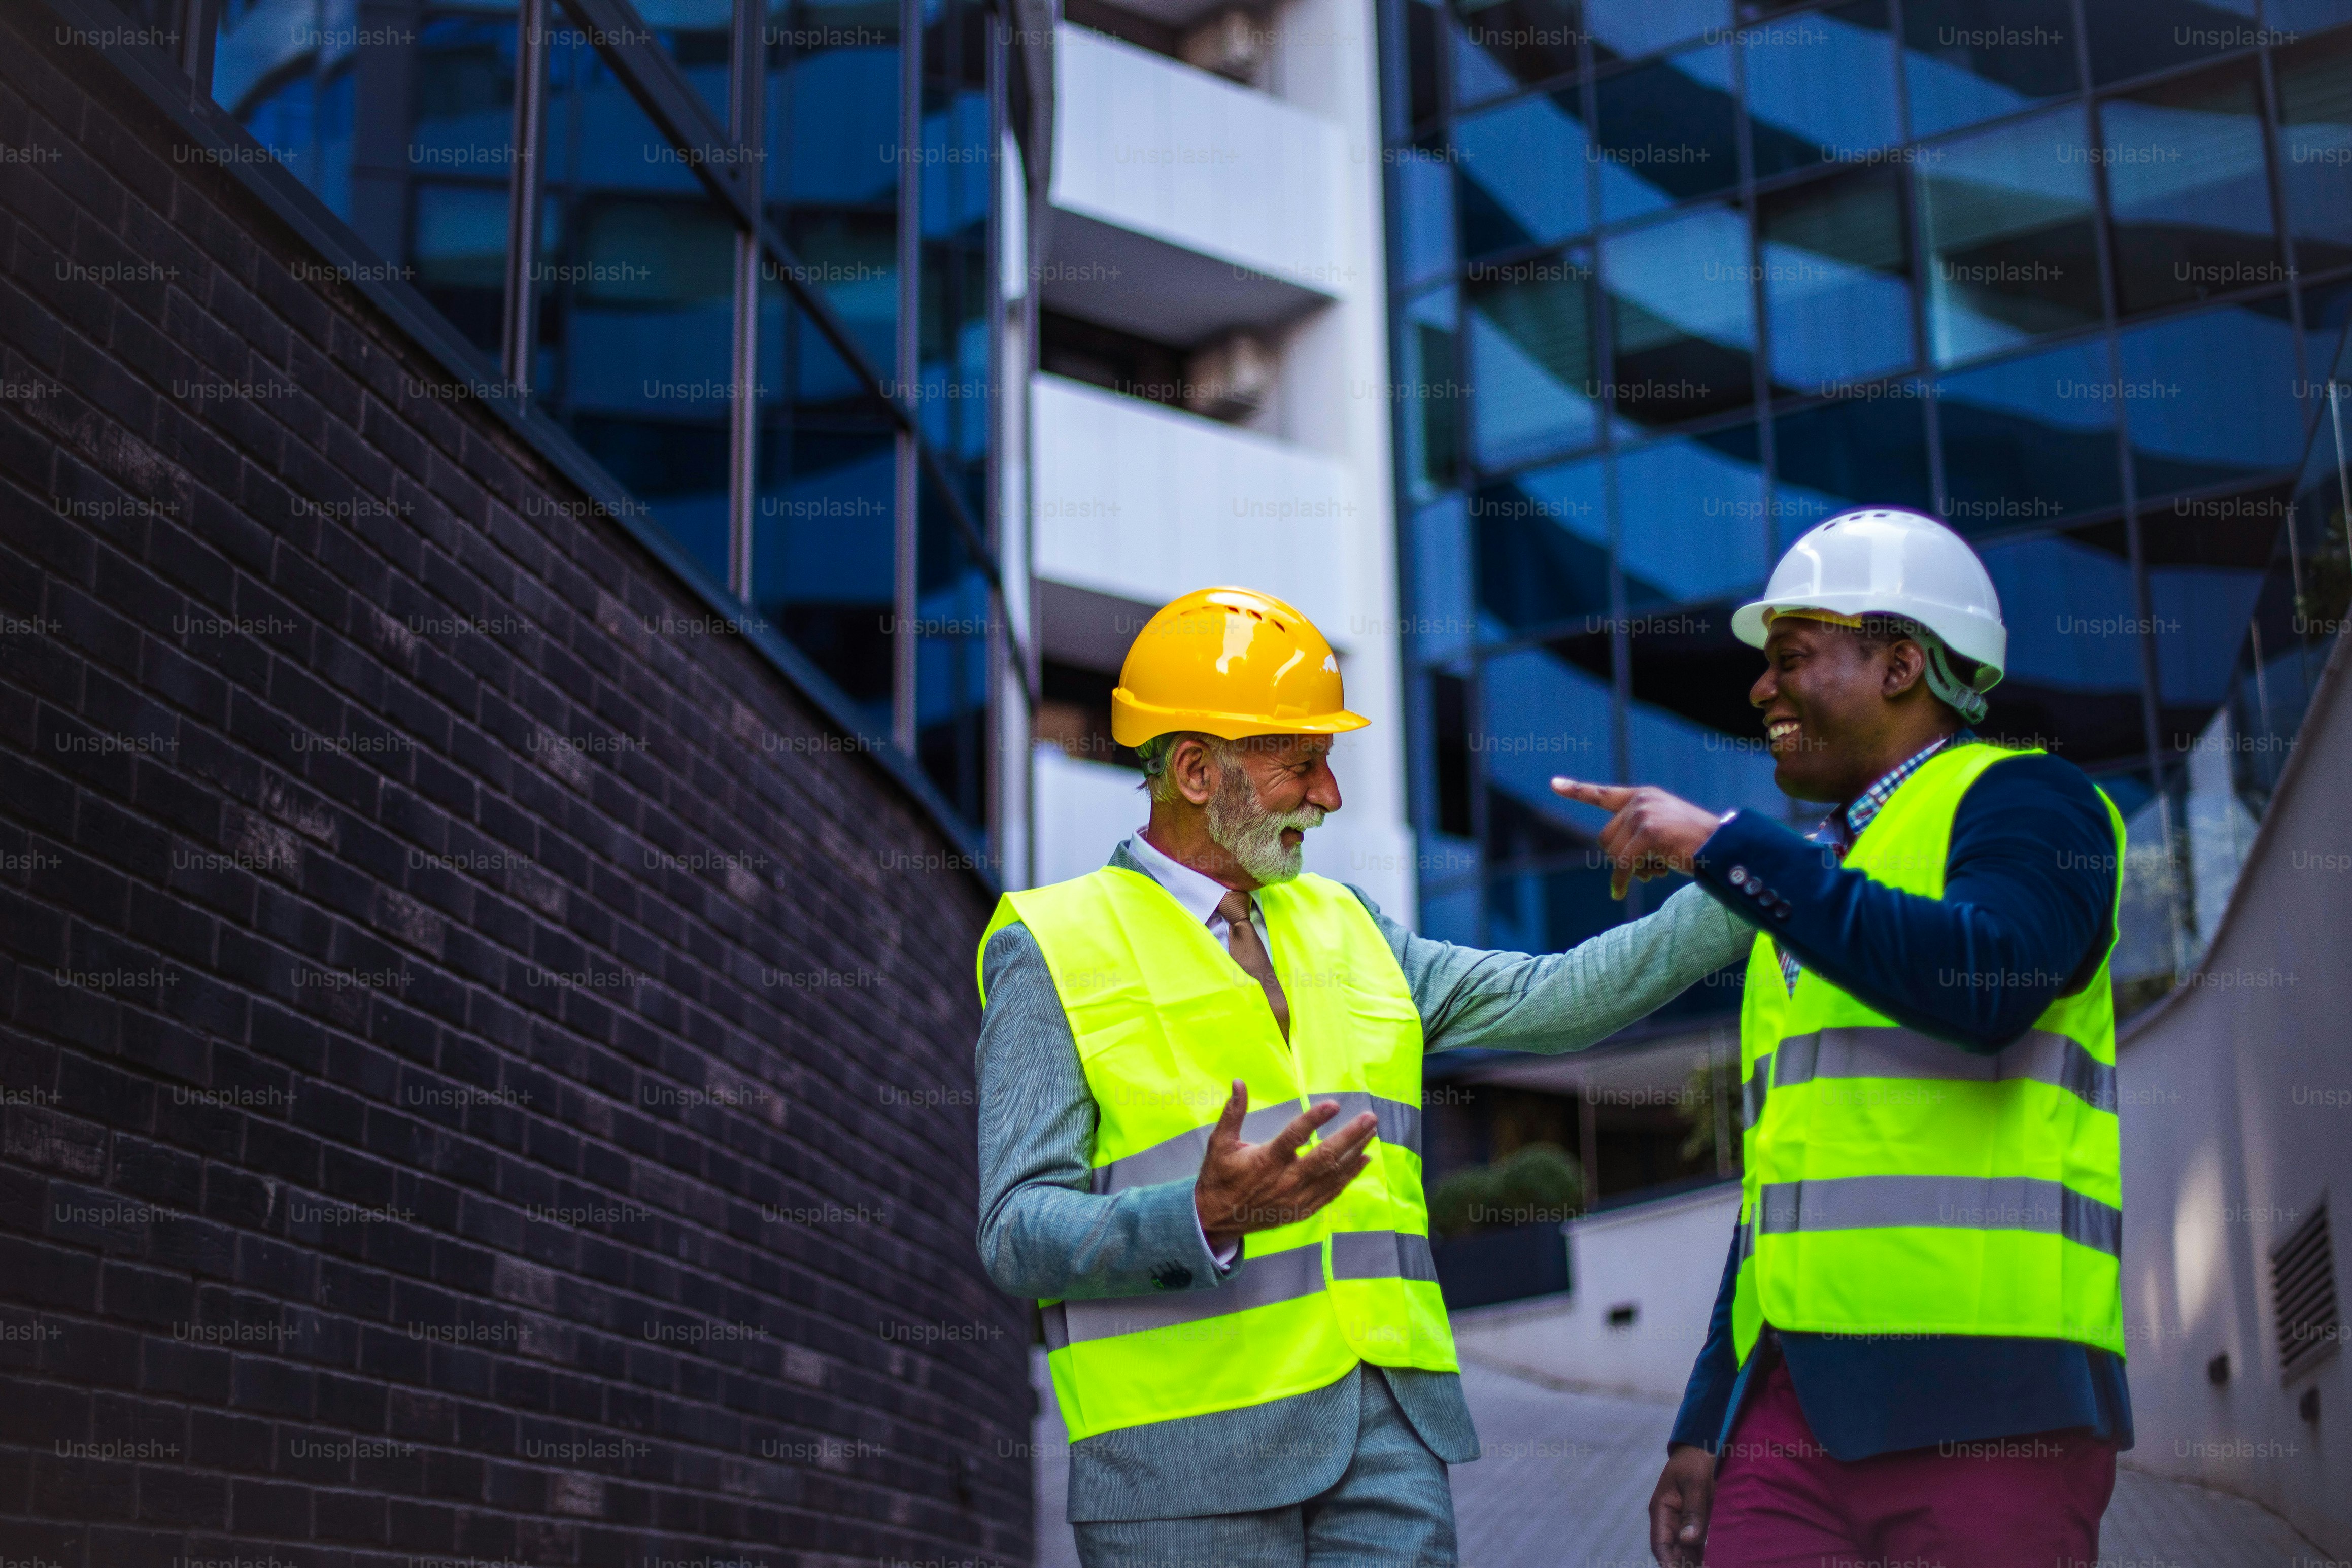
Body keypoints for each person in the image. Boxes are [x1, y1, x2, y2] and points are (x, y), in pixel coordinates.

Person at [973, 585, 1749, 1565]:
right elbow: (1013, 1231)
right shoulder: (1053, 944)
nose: (1330, 796)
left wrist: (1745, 874)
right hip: (1182, 1479)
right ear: (1200, 771)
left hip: (1389, 1453)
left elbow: (1559, 997)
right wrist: (1201, 1215)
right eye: (1302, 764)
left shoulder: (1347, 922)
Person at [1552, 509, 2131, 1568]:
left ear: (1900, 663)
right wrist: (1704, 1422)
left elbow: (1988, 979)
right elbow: (1782, 1195)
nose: (1760, 691)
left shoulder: (2032, 799)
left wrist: (1730, 846)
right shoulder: (1808, 888)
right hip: (1791, 1415)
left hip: (1991, 1400)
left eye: (1790, 660)